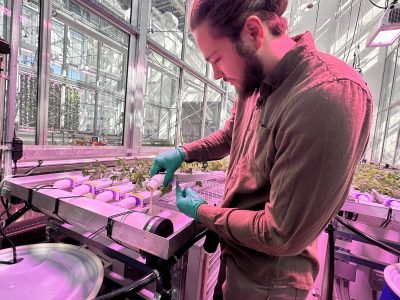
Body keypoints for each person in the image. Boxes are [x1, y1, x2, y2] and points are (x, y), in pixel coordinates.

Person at [150, 0, 373, 299]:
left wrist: (203, 212)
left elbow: (280, 233)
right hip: (238, 255)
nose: (215, 74)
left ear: (253, 32)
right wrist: (184, 151)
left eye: (216, 58)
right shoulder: (254, 82)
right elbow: (232, 134)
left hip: (269, 281)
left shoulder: (325, 97)